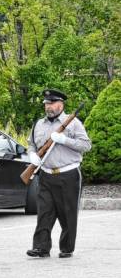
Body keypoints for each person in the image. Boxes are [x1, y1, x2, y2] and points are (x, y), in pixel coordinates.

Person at [26, 89, 91, 259]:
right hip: (46, 174)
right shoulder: (38, 124)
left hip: (68, 174)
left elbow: (86, 145)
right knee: (44, 212)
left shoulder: (74, 123)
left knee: (67, 213)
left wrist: (64, 140)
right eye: (46, 104)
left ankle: (66, 248)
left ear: (61, 105)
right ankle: (41, 247)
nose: (48, 107)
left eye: (52, 104)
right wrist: (32, 155)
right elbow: (31, 144)